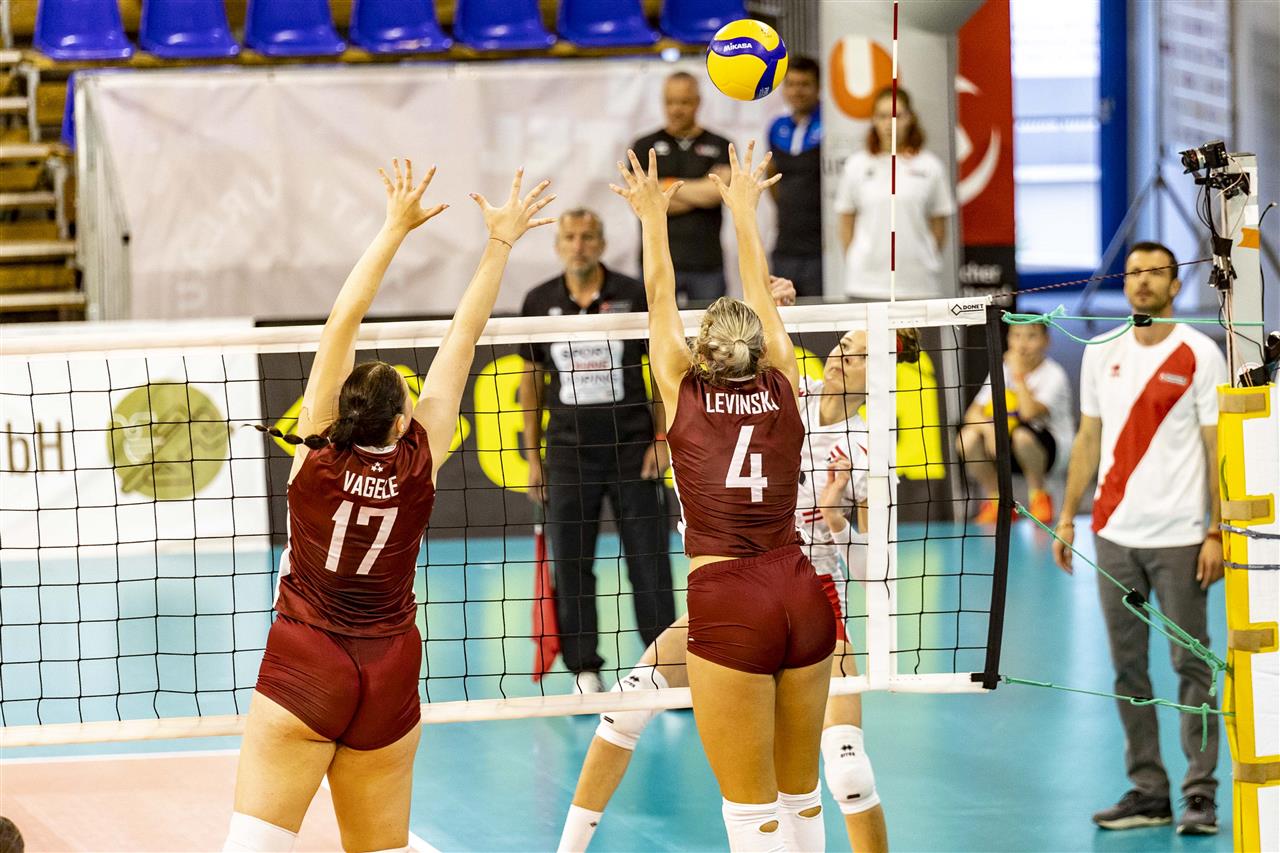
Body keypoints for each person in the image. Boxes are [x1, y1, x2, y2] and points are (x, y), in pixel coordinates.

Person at [224, 160, 555, 853]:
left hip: (306, 659)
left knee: (254, 844)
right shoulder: (419, 460)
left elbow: (341, 321)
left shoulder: (316, 454)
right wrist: (501, 241)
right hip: (389, 671)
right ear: (404, 421)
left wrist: (394, 227)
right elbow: (462, 336)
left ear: (339, 412)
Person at [556, 328, 920, 853]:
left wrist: (837, 517)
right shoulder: (787, 389)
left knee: (849, 773)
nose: (843, 357)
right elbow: (741, 346)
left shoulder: (868, 448)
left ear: (880, 375)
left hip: (814, 594)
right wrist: (773, 309)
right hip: (737, 584)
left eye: (861, 355)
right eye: (844, 345)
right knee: (625, 705)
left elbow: (872, 572)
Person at [612, 141, 835, 852]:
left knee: (751, 811)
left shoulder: (680, 386)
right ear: (759, 346)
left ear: (703, 346)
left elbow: (658, 294)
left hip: (728, 600)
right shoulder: (785, 377)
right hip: (801, 591)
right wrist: (744, 207)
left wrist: (653, 217)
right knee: (803, 798)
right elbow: (761, 298)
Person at [1052, 241, 1227, 836]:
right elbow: (1088, 438)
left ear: (1175, 286)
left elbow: (1215, 448)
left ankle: (1199, 793)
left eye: (1156, 274)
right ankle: (1149, 792)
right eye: (1133, 273)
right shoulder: (1101, 351)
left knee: (1192, 666)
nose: (1143, 282)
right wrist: (1068, 517)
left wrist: (1215, 530)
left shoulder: (1201, 353)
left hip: (1181, 539)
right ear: (1123, 284)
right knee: (1128, 670)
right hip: (1113, 537)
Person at [518, 207, 675, 694]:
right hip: (568, 453)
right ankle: (585, 668)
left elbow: (662, 368)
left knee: (649, 558)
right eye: (570, 237)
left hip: (633, 449)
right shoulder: (538, 301)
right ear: (558, 245)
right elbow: (530, 383)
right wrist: (533, 457)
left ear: (602, 244)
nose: (579, 245)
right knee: (571, 562)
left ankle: (661, 665)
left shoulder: (632, 294)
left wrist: (662, 439)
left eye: (588, 237)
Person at [835, 86, 955, 301]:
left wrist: (923, 257)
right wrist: (859, 261)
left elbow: (939, 225)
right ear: (873, 120)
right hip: (865, 285)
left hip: (919, 287)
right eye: (882, 116)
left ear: (910, 118)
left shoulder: (930, 166)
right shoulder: (856, 165)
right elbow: (846, 223)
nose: (889, 124)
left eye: (896, 116)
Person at [957, 323, 1074, 524]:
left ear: (1046, 341)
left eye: (1031, 336)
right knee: (966, 439)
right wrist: (989, 429)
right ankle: (996, 501)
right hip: (1005, 449)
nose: (1022, 344)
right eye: (1016, 336)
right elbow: (972, 414)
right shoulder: (1002, 370)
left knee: (1022, 436)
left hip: (1050, 453)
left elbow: (1028, 413)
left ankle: (1039, 497)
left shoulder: (1054, 374)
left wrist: (1019, 376)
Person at [631, 71, 732, 303]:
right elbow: (642, 202)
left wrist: (663, 187)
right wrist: (701, 190)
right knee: (657, 325)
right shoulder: (644, 146)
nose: (676, 109)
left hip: (707, 263)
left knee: (712, 326)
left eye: (684, 102)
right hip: (657, 261)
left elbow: (717, 193)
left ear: (698, 102)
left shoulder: (720, 144)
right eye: (670, 102)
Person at [766, 55, 824, 299]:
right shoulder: (776, 127)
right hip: (785, 246)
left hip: (821, 250)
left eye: (804, 84)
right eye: (791, 84)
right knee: (781, 312)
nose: (797, 91)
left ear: (818, 87)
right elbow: (772, 176)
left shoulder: (831, 124)